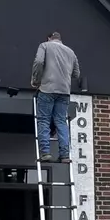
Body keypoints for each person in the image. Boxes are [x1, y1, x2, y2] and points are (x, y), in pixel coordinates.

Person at [31, 32, 81, 163]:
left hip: (47, 88)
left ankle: (45, 153)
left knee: (43, 120)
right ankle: (64, 155)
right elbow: (76, 74)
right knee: (61, 121)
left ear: (49, 38)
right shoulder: (71, 52)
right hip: (64, 91)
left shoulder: (45, 46)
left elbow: (38, 61)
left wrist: (36, 80)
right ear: (60, 39)